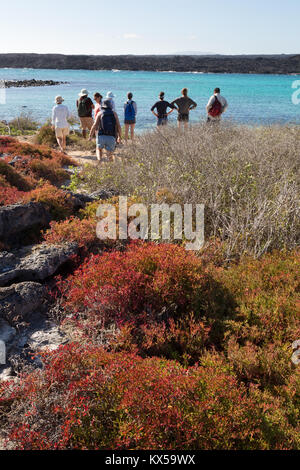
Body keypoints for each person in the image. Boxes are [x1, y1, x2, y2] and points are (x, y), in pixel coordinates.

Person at [94, 93, 103, 160]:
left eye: (95, 98)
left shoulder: (102, 105)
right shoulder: (96, 104)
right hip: (96, 122)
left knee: (99, 137)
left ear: (99, 97)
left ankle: (99, 150)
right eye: (94, 99)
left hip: (101, 124)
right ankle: (98, 149)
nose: (95, 100)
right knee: (97, 137)